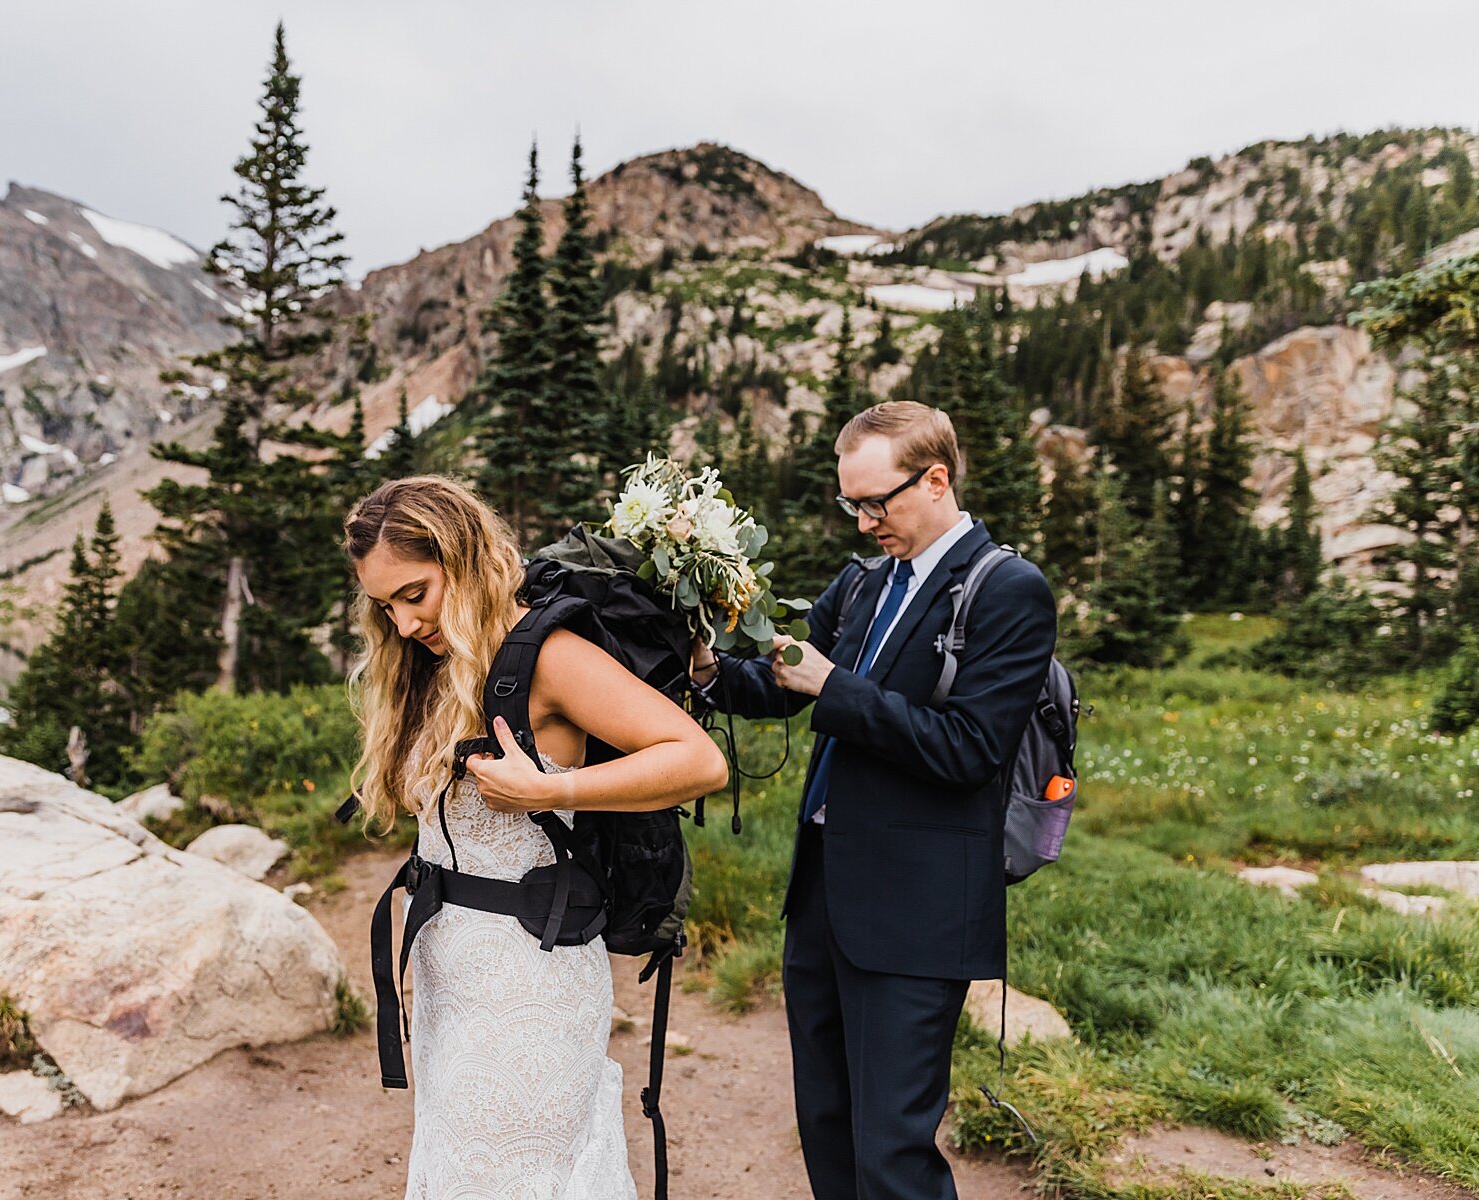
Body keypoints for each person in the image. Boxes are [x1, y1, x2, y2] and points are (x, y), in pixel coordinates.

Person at [691, 402, 1056, 1200]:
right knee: (826, 1124)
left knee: (892, 1150)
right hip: (824, 894)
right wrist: (710, 672)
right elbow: (787, 681)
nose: (862, 524)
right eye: (849, 504)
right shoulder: (863, 583)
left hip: (919, 909)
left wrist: (836, 688)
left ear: (935, 479)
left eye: (875, 503)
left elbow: (969, 750)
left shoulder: (1008, 590)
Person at [344, 475, 728, 1200]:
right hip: (447, 964)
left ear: (463, 557)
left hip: (530, 974)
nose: (401, 624)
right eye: (384, 605)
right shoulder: (437, 665)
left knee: (521, 1175)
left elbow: (698, 760)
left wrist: (558, 789)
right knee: (462, 1167)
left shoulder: (548, 656)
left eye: (414, 594)